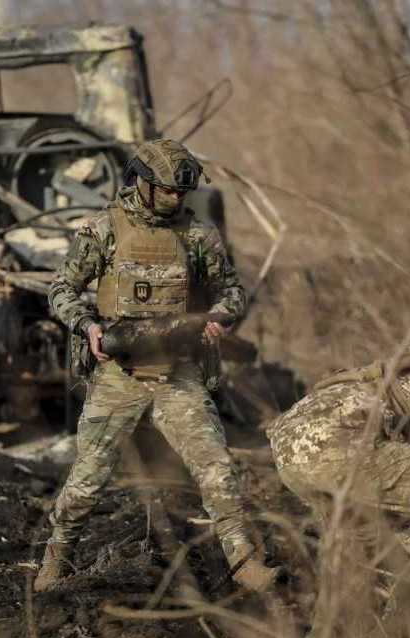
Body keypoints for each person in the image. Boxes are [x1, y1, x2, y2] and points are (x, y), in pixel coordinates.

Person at [33, 139, 277, 592]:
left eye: (181, 192)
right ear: (142, 184)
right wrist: (87, 327)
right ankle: (56, 557)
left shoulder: (198, 235)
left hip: (177, 375)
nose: (175, 199)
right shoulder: (103, 229)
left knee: (216, 468)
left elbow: (232, 293)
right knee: (87, 482)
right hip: (118, 376)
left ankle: (244, 561)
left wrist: (220, 319)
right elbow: (61, 289)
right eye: (166, 190)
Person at [266, 342, 410, 608]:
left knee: (364, 544)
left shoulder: (403, 376)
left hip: (288, 452)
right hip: (335, 444)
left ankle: (334, 633)